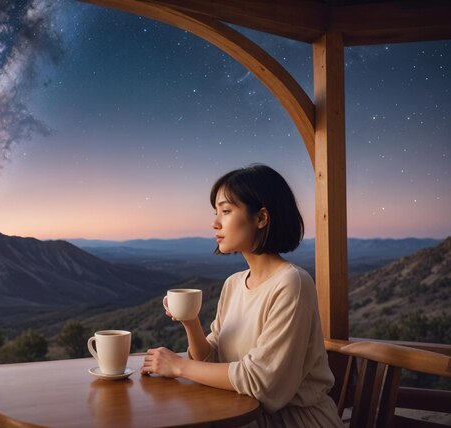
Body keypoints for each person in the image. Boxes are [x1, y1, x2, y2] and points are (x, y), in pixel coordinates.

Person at [140, 164, 342, 427]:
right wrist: (189, 320)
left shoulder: (292, 282)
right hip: (237, 414)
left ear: (261, 218)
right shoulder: (234, 284)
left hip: (292, 421)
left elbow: (263, 382)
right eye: (216, 212)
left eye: (225, 211)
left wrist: (178, 366)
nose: (215, 222)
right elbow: (211, 361)